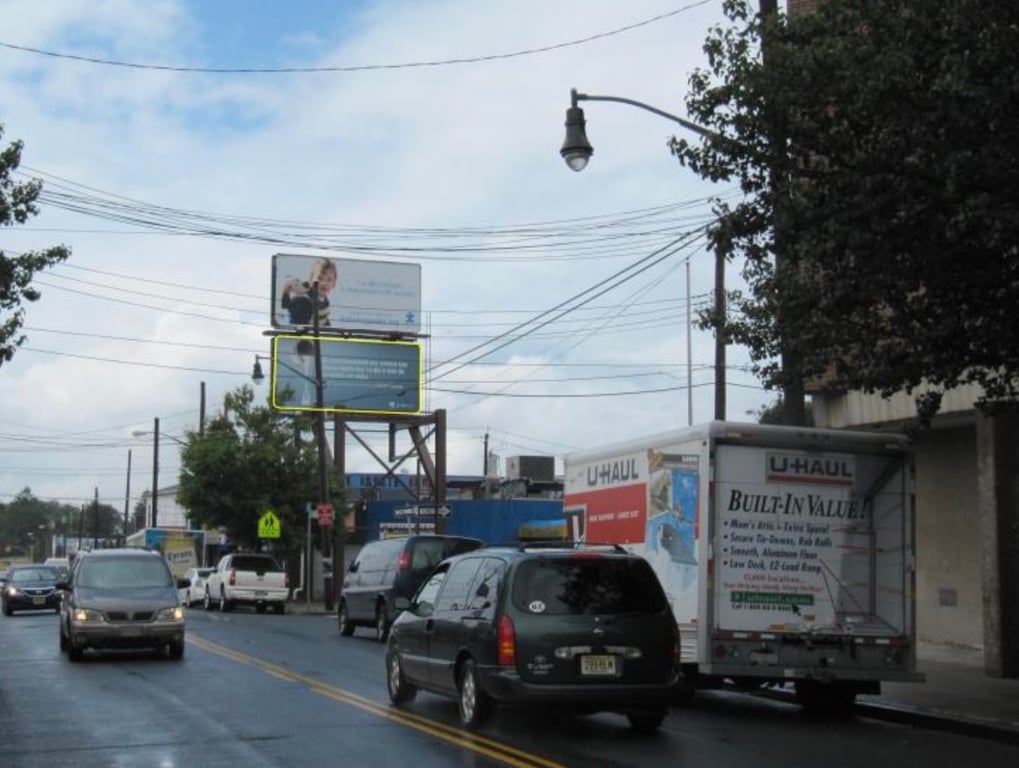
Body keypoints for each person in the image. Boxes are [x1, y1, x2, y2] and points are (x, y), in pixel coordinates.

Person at [280, 257, 337, 327]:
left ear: (334, 283)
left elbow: (324, 320)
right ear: (311, 279)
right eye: (320, 278)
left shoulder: (323, 299)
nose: (324, 283)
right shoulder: (303, 301)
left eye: (329, 280)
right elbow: (299, 327)